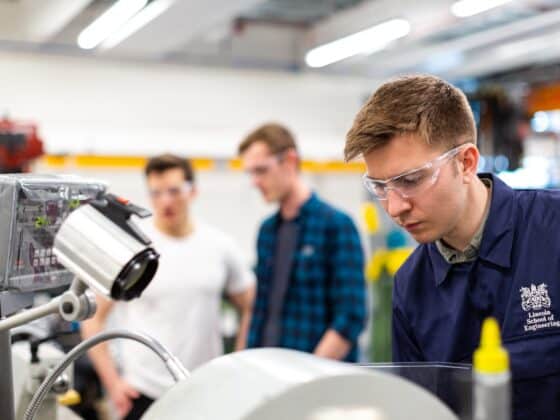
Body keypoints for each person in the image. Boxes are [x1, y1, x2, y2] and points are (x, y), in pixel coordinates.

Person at [344, 74, 560, 420]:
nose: (394, 207)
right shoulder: (410, 287)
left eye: (410, 180)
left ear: (466, 163)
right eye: (380, 187)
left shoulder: (553, 233)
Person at [81, 154, 255, 419]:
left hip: (204, 390)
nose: (166, 201)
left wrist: (236, 367)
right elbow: (92, 319)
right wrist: (113, 384)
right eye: (156, 193)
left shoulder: (220, 247)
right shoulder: (133, 247)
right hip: (142, 393)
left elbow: (251, 307)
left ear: (192, 191)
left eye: (174, 191)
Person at [238, 123, 367, 362]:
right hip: (269, 372)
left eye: (261, 171)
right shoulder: (267, 231)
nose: (255, 181)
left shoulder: (336, 226)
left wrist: (308, 375)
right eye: (251, 173)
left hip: (319, 383)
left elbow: (350, 317)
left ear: (289, 160)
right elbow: (260, 312)